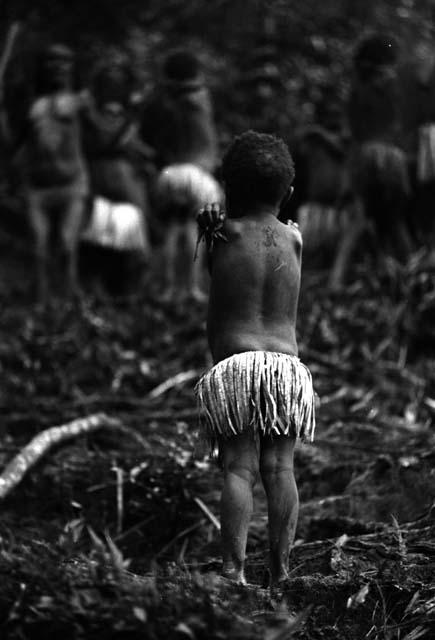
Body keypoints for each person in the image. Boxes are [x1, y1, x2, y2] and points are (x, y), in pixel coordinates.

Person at [195, 131, 316, 586]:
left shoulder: (223, 233)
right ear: (288, 193)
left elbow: (214, 257)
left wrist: (209, 222)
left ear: (228, 189)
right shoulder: (296, 240)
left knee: (239, 469)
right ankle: (282, 571)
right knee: (280, 468)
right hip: (286, 371)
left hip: (238, 369)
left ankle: (234, 570)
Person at [141, 48, 221, 301]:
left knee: (174, 228)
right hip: (197, 174)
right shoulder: (201, 99)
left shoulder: (162, 103)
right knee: (194, 229)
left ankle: (169, 288)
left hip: (170, 174)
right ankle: (192, 287)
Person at [17, 43, 89, 303]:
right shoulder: (32, 105)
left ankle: (69, 298)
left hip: (72, 184)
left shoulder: (83, 101)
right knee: (38, 246)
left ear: (71, 67)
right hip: (37, 187)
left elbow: (103, 135)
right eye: (51, 62)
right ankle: (41, 301)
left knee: (67, 244)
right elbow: (16, 144)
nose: (57, 67)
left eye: (63, 62)